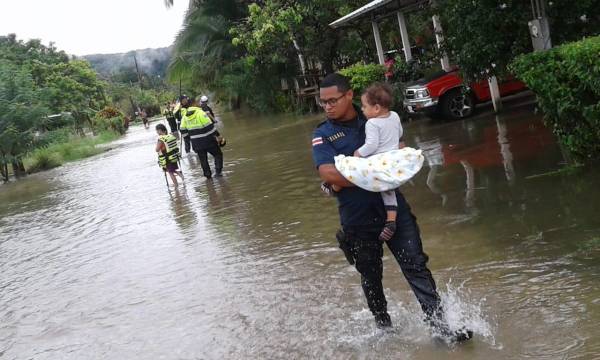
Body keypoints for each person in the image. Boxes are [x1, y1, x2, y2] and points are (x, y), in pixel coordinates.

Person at [311, 73, 471, 341]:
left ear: (349, 95)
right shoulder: (323, 134)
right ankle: (384, 330)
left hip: (393, 211)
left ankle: (441, 328)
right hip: (357, 220)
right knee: (371, 276)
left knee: (416, 265)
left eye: (332, 100)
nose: (327, 106)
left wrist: (352, 177)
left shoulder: (377, 117)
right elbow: (329, 174)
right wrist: (372, 175)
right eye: (322, 102)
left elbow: (400, 157)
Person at [353, 83, 403, 242]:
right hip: (394, 158)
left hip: (380, 161)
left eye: (364, 106)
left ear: (376, 108)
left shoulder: (372, 123)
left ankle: (333, 186)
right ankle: (391, 220)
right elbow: (400, 133)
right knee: (390, 192)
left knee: (351, 167)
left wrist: (358, 153)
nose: (362, 109)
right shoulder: (394, 116)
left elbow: (372, 145)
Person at [179, 97, 224, 179]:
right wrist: (218, 136)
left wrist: (189, 138)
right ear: (194, 104)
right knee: (218, 154)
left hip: (196, 143)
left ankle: (208, 177)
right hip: (208, 140)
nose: (199, 103)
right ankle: (218, 173)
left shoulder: (185, 116)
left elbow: (182, 129)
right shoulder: (200, 113)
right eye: (197, 102)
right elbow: (209, 126)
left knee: (203, 159)